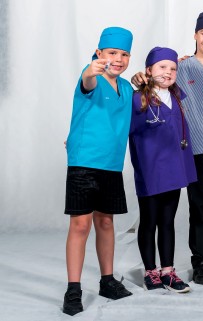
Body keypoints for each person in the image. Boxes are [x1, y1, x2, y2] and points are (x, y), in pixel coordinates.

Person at [131, 11, 203, 286]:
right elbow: (153, 82)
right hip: (194, 152)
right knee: (199, 210)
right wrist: (140, 78)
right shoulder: (181, 68)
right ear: (195, 34)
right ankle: (202, 264)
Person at [63, 27, 134, 316]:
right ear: (99, 53)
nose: (117, 59)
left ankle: (107, 280)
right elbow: (87, 81)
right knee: (80, 225)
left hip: (111, 165)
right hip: (84, 163)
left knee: (106, 223)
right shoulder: (90, 75)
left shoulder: (127, 87)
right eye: (112, 53)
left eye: (124, 54)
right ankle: (73, 288)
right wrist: (92, 70)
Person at [129, 47, 197, 294]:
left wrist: (183, 62)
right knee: (149, 221)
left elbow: (182, 67)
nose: (168, 72)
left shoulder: (176, 96)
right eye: (161, 67)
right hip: (150, 170)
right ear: (148, 71)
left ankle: (168, 271)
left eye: (172, 69)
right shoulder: (137, 99)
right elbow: (120, 127)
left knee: (167, 221)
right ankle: (150, 271)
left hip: (174, 169)